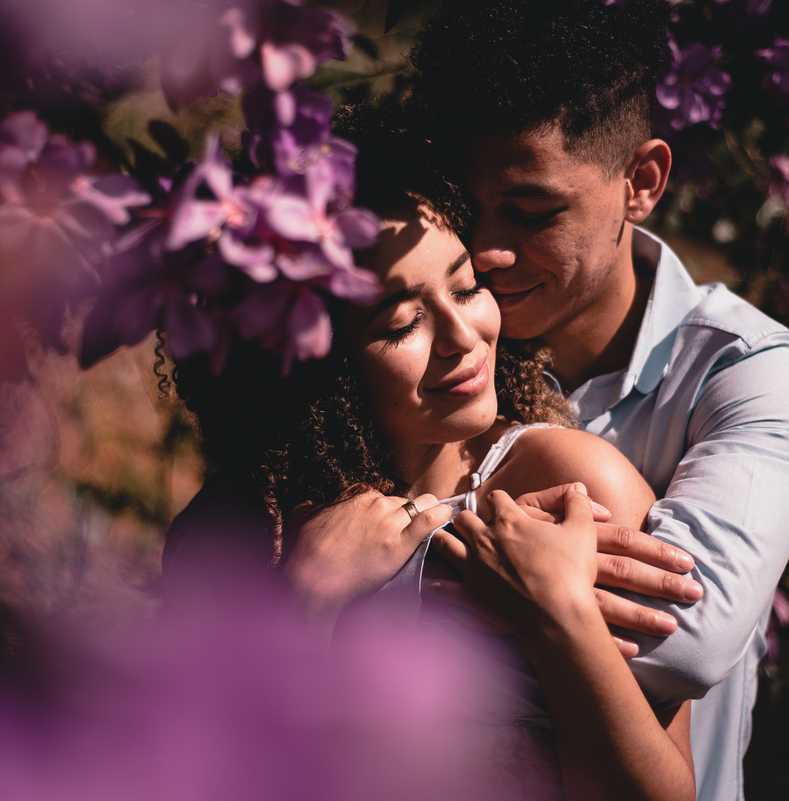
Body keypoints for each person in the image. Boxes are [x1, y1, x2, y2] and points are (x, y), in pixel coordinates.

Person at [292, 1, 789, 799]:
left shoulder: (745, 371)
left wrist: (363, 578)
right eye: (470, 212)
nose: (489, 252)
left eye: (535, 212)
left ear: (641, 182)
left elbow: (686, 640)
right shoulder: (418, 383)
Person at [168, 100, 696, 800]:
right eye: (401, 322)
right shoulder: (232, 535)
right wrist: (307, 599)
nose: (462, 335)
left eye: (467, 285)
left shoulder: (572, 487)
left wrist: (560, 614)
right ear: (314, 366)